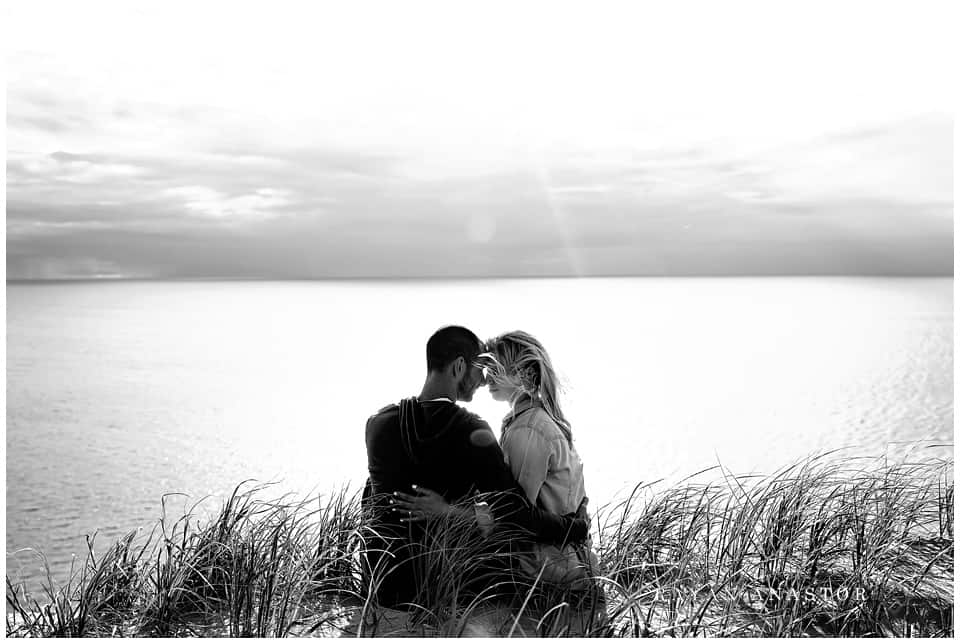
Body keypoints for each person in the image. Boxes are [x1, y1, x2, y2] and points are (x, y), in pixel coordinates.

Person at [362, 325, 589, 609]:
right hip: (445, 587)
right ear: (459, 367)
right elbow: (514, 516)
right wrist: (575, 528)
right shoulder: (472, 431)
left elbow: (372, 503)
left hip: (383, 584)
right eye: (479, 368)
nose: (483, 379)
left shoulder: (377, 424)